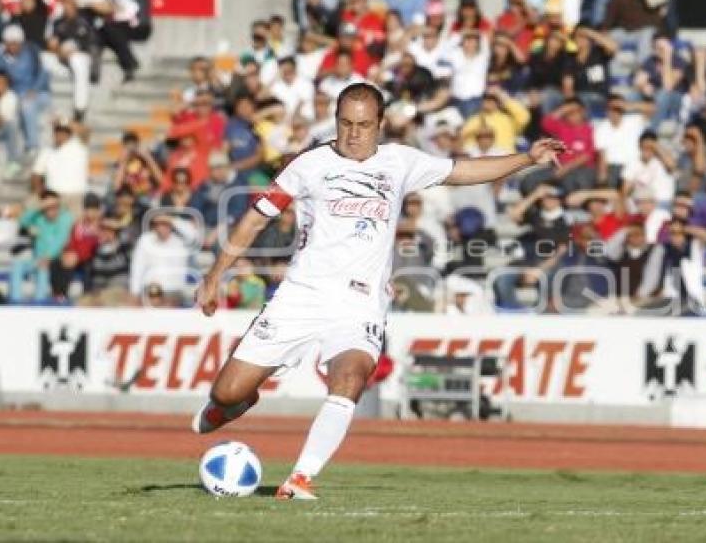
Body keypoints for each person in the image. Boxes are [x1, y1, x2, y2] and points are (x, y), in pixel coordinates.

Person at [192, 82, 565, 499]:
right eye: (346, 123)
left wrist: (527, 159)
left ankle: (300, 478)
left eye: (364, 125)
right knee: (226, 391)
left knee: (350, 376)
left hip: (360, 302)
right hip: (301, 295)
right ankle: (236, 403)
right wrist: (214, 276)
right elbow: (255, 219)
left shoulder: (400, 161)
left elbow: (463, 170)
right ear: (335, 122)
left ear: (381, 125)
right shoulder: (307, 165)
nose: (354, 134)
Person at [8, 191, 73, 303]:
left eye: (54, 206)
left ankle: (40, 303)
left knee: (43, 271)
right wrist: (39, 207)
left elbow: (60, 241)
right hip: (37, 259)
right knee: (17, 266)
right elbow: (23, 221)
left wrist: (47, 258)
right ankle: (15, 302)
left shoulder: (65, 217)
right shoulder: (39, 217)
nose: (52, 210)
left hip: (55, 260)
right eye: (48, 207)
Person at [45, 0, 96, 121]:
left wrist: (72, 49)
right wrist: (56, 48)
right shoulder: (58, 22)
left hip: (82, 58)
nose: (67, 6)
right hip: (62, 59)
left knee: (76, 59)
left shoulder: (85, 19)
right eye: (65, 2)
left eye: (70, 2)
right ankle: (43, 99)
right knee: (43, 58)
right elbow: (52, 44)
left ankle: (80, 107)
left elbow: (90, 43)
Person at [0, 23, 50, 153]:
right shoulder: (2, 56)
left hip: (37, 93)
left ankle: (32, 145)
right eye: (9, 43)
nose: (12, 46)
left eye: (15, 43)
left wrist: (34, 89)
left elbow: (43, 73)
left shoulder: (32, 51)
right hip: (15, 94)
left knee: (27, 105)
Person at [31, 119, 90, 217]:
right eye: (57, 132)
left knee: (75, 227)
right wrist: (40, 194)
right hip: (54, 197)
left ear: (69, 134)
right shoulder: (47, 151)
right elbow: (36, 175)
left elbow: (86, 131)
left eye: (63, 132)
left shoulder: (79, 146)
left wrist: (64, 120)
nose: (59, 135)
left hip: (75, 196)